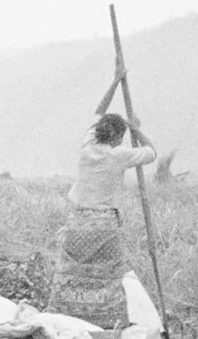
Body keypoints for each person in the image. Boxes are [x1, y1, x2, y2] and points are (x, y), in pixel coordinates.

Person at [50, 113, 156, 328]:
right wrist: (136, 129)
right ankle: (107, 321)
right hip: (104, 226)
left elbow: (97, 115)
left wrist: (112, 89)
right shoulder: (120, 155)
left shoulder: (87, 149)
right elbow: (151, 152)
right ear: (118, 137)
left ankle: (68, 316)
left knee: (72, 271)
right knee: (109, 276)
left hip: (78, 223)